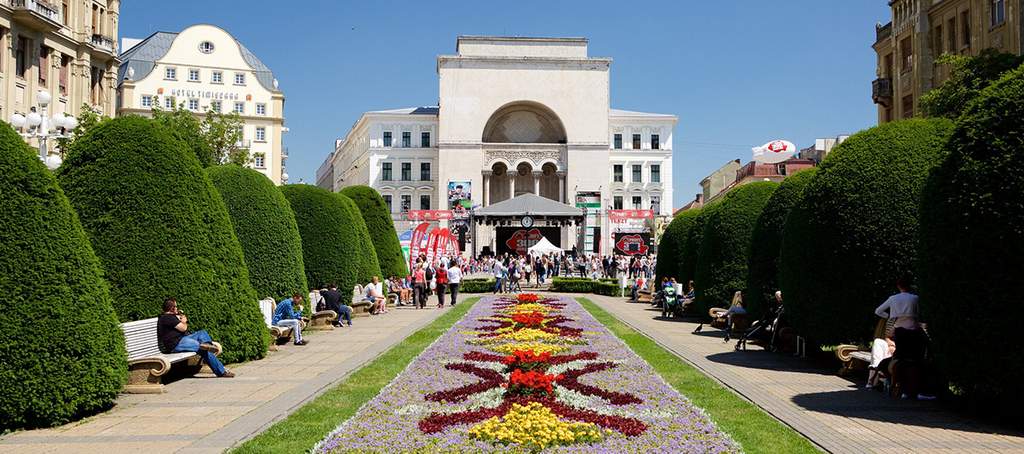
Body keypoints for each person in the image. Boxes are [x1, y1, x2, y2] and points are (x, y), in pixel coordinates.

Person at [874, 274, 932, 399]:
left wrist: (889, 316)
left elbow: (878, 311)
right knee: (917, 360)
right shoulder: (915, 298)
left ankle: (902, 388)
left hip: (900, 330)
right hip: (914, 330)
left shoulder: (893, 298)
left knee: (901, 359)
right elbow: (920, 313)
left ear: (898, 286)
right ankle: (917, 390)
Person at [157, 298, 234, 377]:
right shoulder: (167, 318)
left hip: (182, 339)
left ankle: (207, 345)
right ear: (172, 308)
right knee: (204, 350)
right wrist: (184, 321)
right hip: (176, 344)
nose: (177, 308)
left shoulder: (170, 316)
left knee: (202, 333)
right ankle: (222, 372)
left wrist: (179, 317)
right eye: (176, 306)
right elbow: (184, 328)